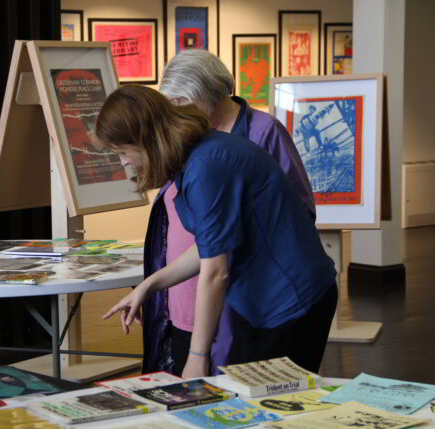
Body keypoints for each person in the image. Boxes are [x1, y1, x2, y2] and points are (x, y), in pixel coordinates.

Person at [97, 85, 337, 379]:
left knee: (274, 411)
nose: (124, 162)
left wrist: (197, 357)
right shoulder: (199, 153)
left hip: (293, 302)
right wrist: (149, 286)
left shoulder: (206, 166)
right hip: (270, 299)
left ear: (146, 138)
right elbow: (209, 246)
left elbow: (215, 271)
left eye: (123, 151)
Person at [141, 49, 316, 377]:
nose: (175, 111)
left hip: (241, 286)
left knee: (241, 390)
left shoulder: (263, 131)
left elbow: (298, 209)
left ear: (207, 95)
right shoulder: (187, 133)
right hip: (189, 283)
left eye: (181, 102)